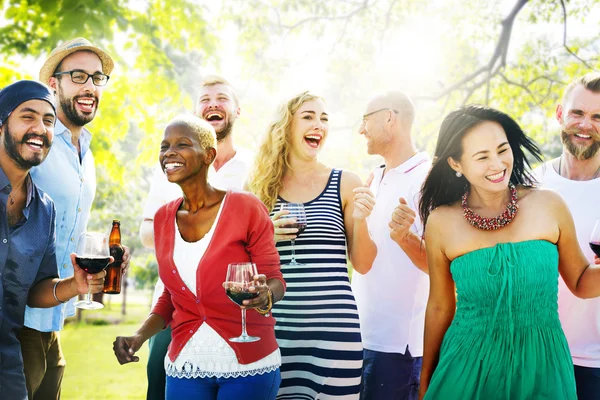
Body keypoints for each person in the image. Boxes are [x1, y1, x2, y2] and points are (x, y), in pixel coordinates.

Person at [417, 104, 600, 400]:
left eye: (503, 150)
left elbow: (580, 281)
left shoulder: (549, 204)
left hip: (543, 367)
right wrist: (426, 380)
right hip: (466, 366)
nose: (497, 164)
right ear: (456, 163)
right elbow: (440, 306)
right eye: (482, 156)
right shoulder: (441, 221)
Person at [114, 115, 285, 399]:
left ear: (209, 155)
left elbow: (275, 280)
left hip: (248, 364)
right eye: (164, 146)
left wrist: (266, 295)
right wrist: (139, 336)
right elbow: (172, 295)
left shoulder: (246, 207)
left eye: (182, 144)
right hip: (186, 364)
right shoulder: (163, 218)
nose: (169, 152)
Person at [246, 91, 377, 399]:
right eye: (308, 116)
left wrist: (359, 220)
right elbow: (241, 264)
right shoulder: (257, 189)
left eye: (324, 118)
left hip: (334, 332)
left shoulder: (346, 182)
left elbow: (363, 263)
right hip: (275, 330)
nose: (318, 124)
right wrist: (268, 238)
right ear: (286, 126)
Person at [19, 38, 130, 400]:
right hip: (17, 314)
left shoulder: (87, 151)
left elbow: (65, 221)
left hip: (54, 313)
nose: (89, 87)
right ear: (55, 84)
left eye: (97, 78)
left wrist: (99, 251)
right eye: (78, 76)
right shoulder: (35, 139)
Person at [139, 75, 251, 400]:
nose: (213, 104)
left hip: (237, 312)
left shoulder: (257, 168)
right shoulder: (172, 163)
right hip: (175, 308)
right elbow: (148, 231)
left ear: (237, 110)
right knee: (161, 388)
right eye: (205, 99)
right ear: (195, 112)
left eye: (221, 98)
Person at [0, 80, 106, 400]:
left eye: (48, 121)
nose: (41, 128)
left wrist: (75, 285)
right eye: (28, 117)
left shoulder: (44, 209)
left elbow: (36, 291)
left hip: (9, 361)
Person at [352, 91, 430, 400]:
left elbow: (441, 266)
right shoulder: (373, 178)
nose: (361, 130)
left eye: (365, 120)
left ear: (389, 119)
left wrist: (406, 236)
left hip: (399, 349)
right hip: (362, 338)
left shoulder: (429, 179)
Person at [535, 72, 600, 400]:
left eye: (598, 117)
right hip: (534, 356)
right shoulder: (527, 186)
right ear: (560, 114)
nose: (586, 125)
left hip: (596, 363)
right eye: (578, 113)